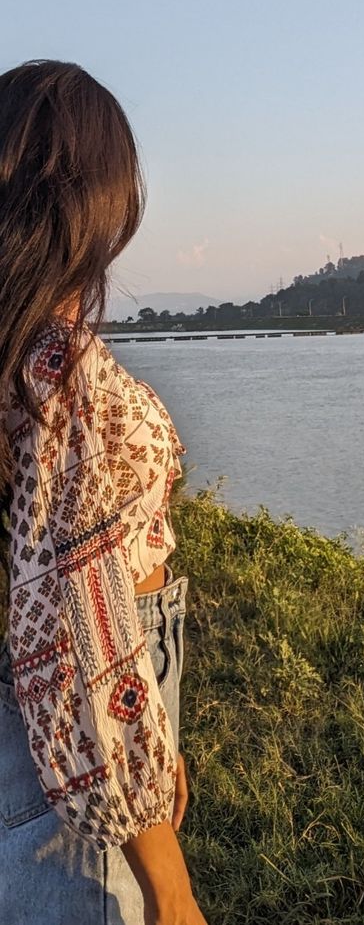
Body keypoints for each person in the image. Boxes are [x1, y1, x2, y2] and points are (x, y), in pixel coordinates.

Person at [0, 60, 209, 925]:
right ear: (96, 211)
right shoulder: (76, 397)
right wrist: (172, 885)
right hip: (57, 772)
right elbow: (91, 663)